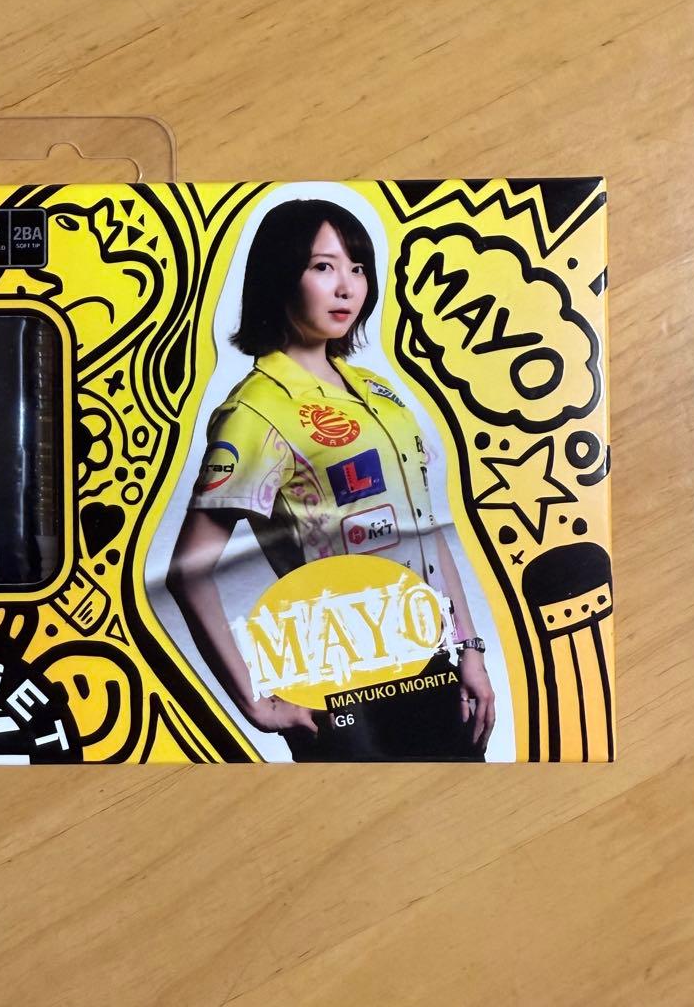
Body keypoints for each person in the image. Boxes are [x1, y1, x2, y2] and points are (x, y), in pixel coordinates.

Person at [166, 199, 495, 761]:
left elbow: (423, 530)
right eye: (323, 267)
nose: (346, 287)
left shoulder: (378, 393)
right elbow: (186, 571)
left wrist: (469, 649)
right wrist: (257, 703)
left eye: (357, 268)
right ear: (280, 276)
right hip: (341, 683)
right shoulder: (255, 411)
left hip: (433, 664)